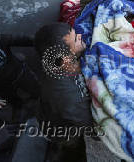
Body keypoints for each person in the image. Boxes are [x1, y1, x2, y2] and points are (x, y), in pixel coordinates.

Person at [34, 22, 92, 162]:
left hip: (50, 113)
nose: (80, 36)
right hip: (63, 132)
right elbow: (91, 126)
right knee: (72, 151)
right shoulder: (69, 97)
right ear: (65, 59)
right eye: (76, 40)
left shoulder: (52, 61)